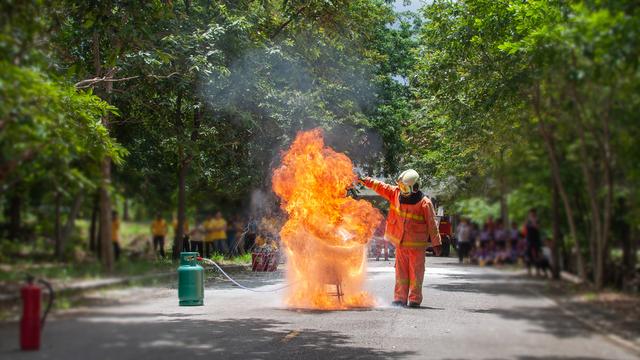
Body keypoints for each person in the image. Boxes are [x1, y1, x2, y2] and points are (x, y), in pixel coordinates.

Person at [360, 169, 441, 308]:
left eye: (405, 187)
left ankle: (414, 299)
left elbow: (432, 224)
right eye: (401, 186)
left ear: (415, 187)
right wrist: (365, 180)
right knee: (401, 273)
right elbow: (381, 186)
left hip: (416, 246)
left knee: (416, 273)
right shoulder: (395, 193)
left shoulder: (425, 203)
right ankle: (399, 298)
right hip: (401, 244)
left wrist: (437, 243)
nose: (402, 190)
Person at [525, 208, 542, 276]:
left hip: (536, 239)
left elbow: (538, 227)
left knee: (537, 254)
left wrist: (534, 222)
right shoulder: (527, 220)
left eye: (533, 213)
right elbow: (525, 228)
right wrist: (530, 222)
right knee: (528, 254)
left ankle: (538, 271)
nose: (532, 214)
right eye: (530, 213)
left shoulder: (537, 220)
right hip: (529, 239)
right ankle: (529, 271)